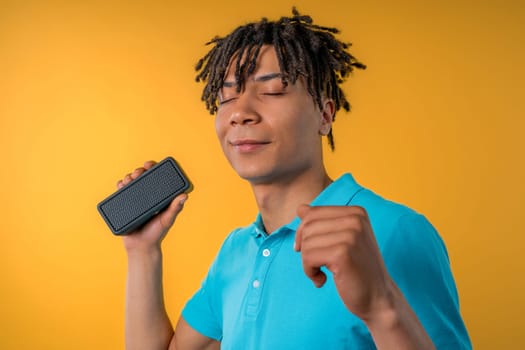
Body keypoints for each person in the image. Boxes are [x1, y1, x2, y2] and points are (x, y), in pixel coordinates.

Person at [116, 8, 471, 350]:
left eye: (272, 91)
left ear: (325, 115)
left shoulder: (395, 231)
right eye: (226, 97)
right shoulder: (235, 252)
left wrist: (381, 307)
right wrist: (143, 252)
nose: (240, 112)